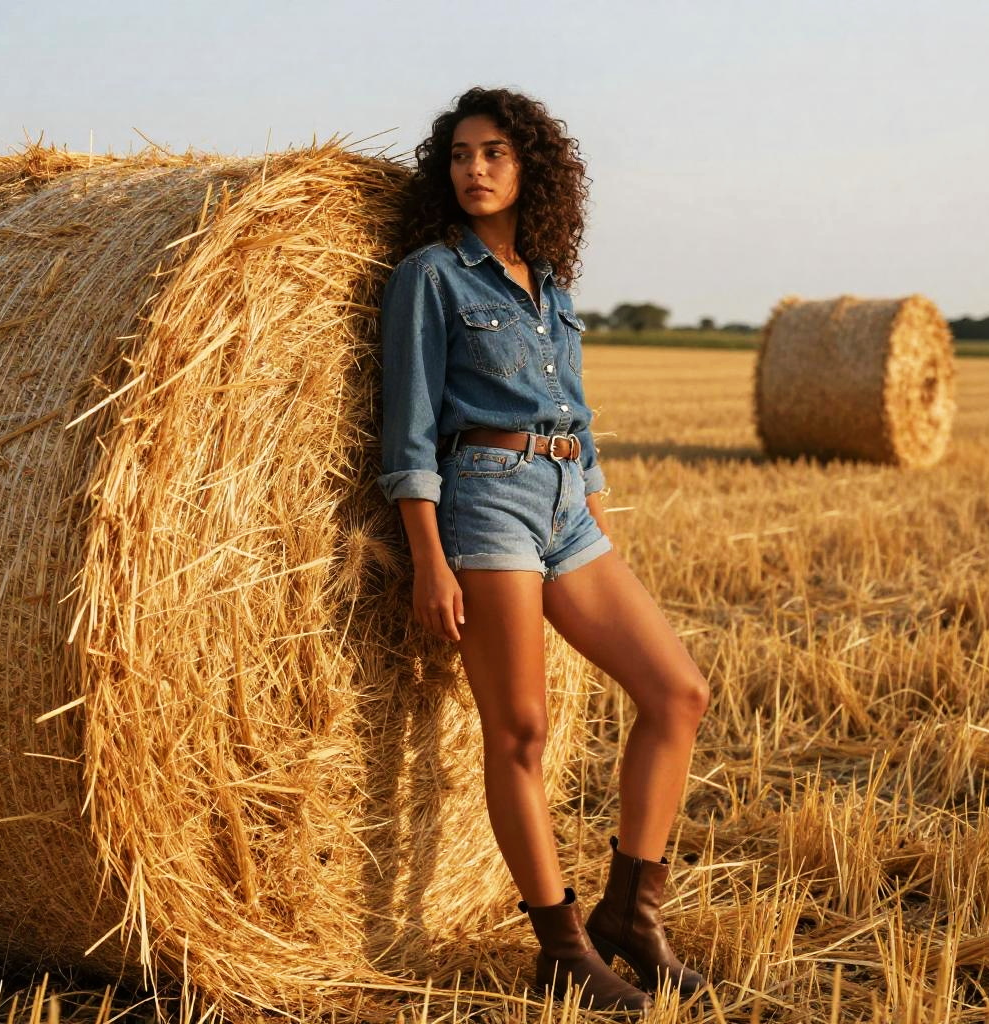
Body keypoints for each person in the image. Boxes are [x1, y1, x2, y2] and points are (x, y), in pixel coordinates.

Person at [376, 86, 710, 1014]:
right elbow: (407, 432)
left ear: (531, 169)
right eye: (459, 156)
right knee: (518, 731)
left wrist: (594, 499)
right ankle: (559, 943)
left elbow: (577, 409)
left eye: (494, 154)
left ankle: (631, 915)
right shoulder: (431, 278)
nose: (474, 170)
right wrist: (429, 558)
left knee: (678, 693)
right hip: (486, 505)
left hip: (568, 508)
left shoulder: (549, 283)